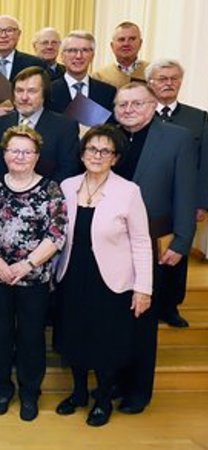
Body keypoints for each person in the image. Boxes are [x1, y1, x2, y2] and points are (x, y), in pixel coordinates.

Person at [55, 125, 153, 427]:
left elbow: (141, 241)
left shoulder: (128, 191)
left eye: (105, 151)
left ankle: (102, 399)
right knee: (73, 335)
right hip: (71, 272)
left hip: (111, 279)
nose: (97, 155)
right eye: (91, 149)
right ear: (82, 153)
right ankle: (79, 392)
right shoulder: (67, 186)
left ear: (115, 157)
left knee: (105, 341)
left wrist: (143, 288)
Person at [111, 82, 197, 414]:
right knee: (115, 317)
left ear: (152, 105)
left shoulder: (177, 137)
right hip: (112, 243)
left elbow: (186, 193)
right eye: (122, 104)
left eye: (136, 103)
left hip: (153, 241)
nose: (128, 110)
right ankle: (114, 378)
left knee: (142, 318)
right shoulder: (109, 137)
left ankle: (138, 391)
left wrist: (182, 240)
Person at [0, 126, 67, 421]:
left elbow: (56, 235)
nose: (20, 156)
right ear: (4, 154)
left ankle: (30, 392)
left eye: (26, 151)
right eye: (14, 151)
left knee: (31, 336)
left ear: (36, 156)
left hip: (34, 278)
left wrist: (27, 265)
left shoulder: (51, 189)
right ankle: (3, 388)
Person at [147, 59, 208, 322]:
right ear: (150, 83)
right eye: (162, 78)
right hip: (150, 196)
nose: (168, 83)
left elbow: (205, 162)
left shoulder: (198, 118)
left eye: (173, 78)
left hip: (183, 200)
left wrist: (202, 202)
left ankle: (170, 307)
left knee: (177, 251)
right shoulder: (141, 114)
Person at [0, 67, 80, 182]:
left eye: (32, 91)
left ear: (44, 94)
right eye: (19, 91)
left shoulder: (65, 127)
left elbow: (68, 170)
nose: (24, 97)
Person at [48, 31, 117, 114]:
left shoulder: (107, 92)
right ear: (62, 56)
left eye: (85, 50)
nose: (79, 56)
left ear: (92, 56)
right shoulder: (48, 91)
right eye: (72, 50)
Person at [92, 22, 148, 88]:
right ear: (112, 46)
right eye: (121, 39)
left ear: (140, 43)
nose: (126, 44)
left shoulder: (152, 72)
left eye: (132, 39)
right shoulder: (99, 77)